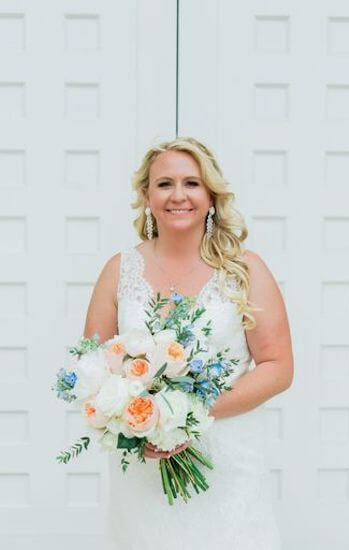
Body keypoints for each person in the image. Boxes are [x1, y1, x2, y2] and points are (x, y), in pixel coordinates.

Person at [83, 136, 294, 549]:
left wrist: (182, 413)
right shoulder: (118, 269)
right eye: (164, 184)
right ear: (146, 195)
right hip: (143, 469)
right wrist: (142, 424)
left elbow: (278, 367)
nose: (178, 195)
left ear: (211, 195)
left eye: (192, 183)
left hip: (228, 465)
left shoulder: (244, 270)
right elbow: (90, 366)